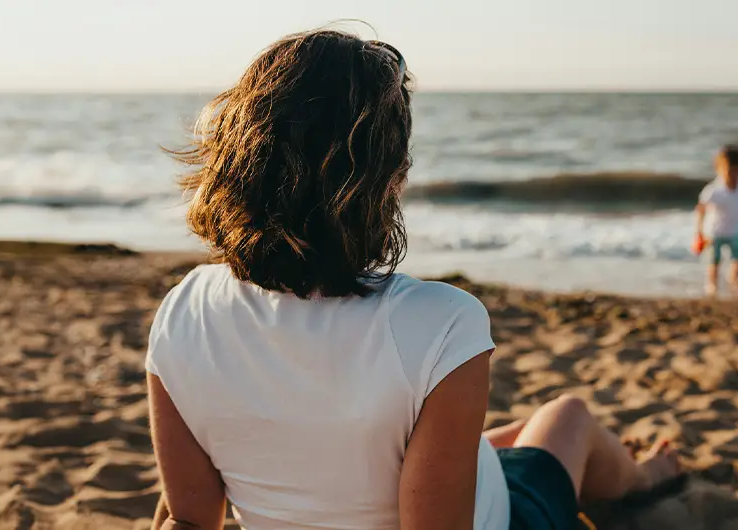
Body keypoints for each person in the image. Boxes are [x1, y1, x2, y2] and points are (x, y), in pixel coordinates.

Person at [145, 29, 680, 530]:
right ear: (389, 178)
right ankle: (650, 480)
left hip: (372, 476)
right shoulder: (443, 323)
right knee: (569, 417)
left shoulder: (182, 311)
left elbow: (190, 521)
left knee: (503, 439)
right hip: (505, 517)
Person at [694, 145, 738, 297]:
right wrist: (699, 232)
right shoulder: (714, 190)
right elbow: (701, 209)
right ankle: (712, 285)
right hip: (714, 232)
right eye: (729, 171)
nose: (733, 175)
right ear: (719, 169)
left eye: (737, 171)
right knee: (714, 260)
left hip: (735, 230)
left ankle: (733, 276)